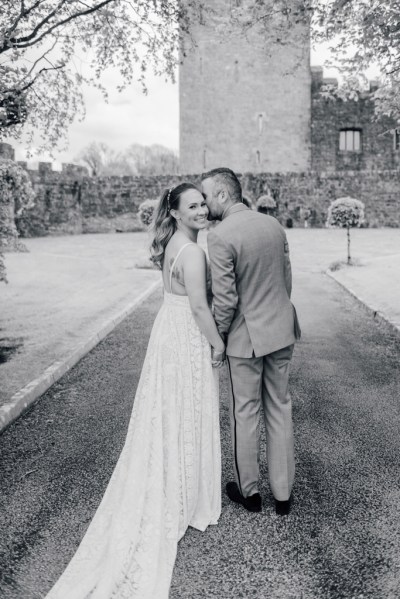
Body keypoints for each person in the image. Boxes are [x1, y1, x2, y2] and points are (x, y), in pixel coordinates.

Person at [44, 183, 224, 598]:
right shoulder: (193, 252)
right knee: (188, 409)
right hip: (186, 335)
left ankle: (179, 483)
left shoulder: (174, 244)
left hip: (168, 330)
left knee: (171, 410)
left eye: (202, 203)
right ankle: (185, 494)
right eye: (192, 205)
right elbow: (199, 307)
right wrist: (217, 343)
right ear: (176, 213)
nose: (201, 209)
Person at [201, 168, 301, 517]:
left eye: (208, 196)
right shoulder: (273, 225)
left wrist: (220, 337)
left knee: (245, 413)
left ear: (224, 195)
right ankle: (284, 495)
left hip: (245, 340)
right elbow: (286, 281)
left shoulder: (220, 236)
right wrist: (276, 317)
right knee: (279, 408)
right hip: (280, 331)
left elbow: (225, 301)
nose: (205, 203)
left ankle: (251, 494)